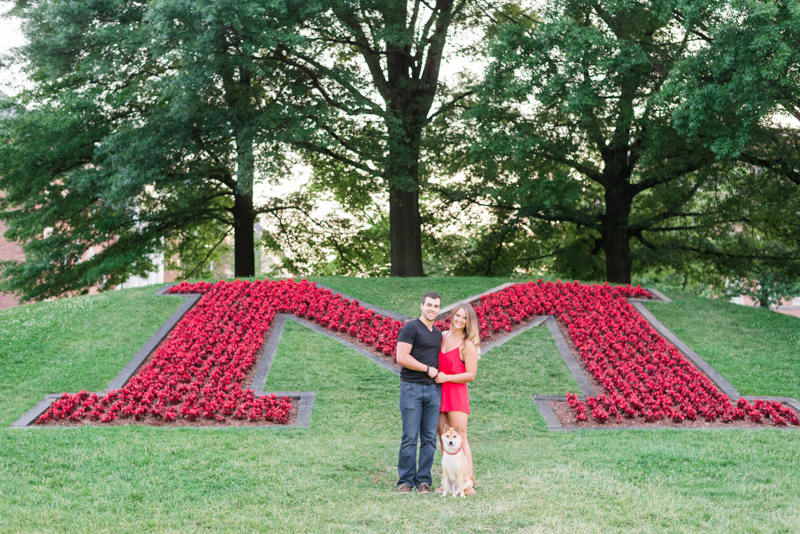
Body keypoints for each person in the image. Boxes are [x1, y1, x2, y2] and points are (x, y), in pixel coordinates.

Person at [395, 292, 443, 494]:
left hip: (433, 390)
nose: (432, 309)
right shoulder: (410, 328)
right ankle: (405, 481)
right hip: (411, 388)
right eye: (429, 305)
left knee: (430, 438)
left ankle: (424, 481)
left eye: (436, 306)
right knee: (410, 437)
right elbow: (401, 357)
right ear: (421, 305)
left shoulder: (438, 333)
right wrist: (426, 369)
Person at [435, 302, 480, 495]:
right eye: (458, 315)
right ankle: (448, 483)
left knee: (461, 439)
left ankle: (467, 482)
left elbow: (471, 375)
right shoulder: (442, 336)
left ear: (469, 322)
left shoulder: (467, 344)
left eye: (464, 318)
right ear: (452, 315)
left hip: (456, 393)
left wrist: (447, 377)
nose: (460, 320)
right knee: (444, 438)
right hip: (437, 391)